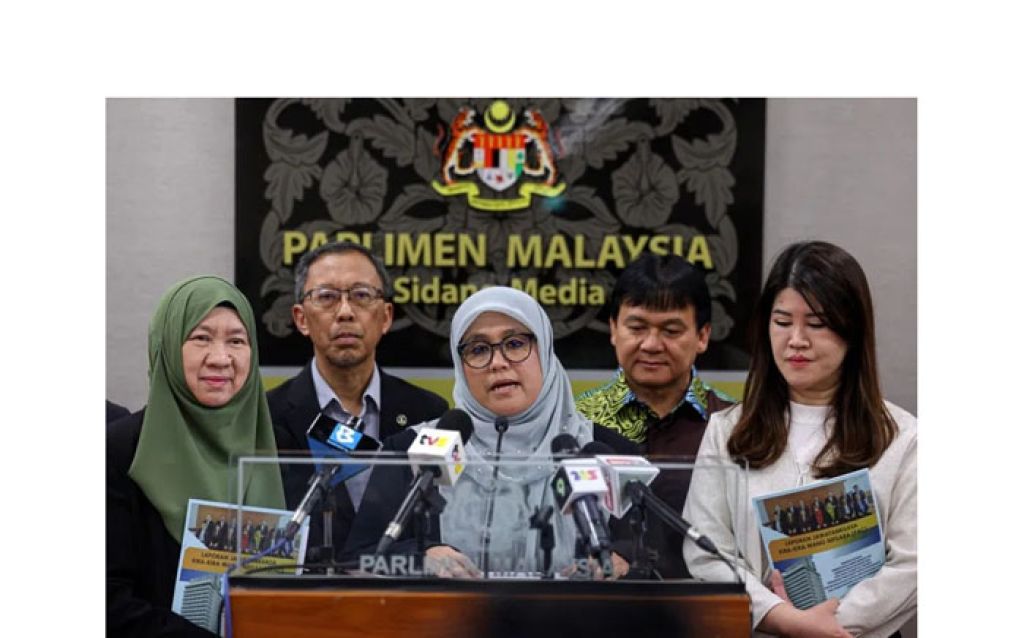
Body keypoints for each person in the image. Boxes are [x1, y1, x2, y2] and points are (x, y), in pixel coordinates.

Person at [682, 241, 917, 638]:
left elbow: (913, 563)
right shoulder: (727, 430)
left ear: (852, 330)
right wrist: (781, 617)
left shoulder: (903, 437)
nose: (796, 339)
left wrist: (828, 625)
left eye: (817, 323)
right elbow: (706, 552)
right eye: (782, 321)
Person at [345, 286, 638, 577]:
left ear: (545, 350)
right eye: (478, 349)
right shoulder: (412, 451)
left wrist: (620, 564)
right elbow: (359, 560)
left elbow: (651, 559)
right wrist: (420, 560)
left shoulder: (604, 451)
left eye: (515, 344)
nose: (498, 363)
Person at [107, 275, 286, 637]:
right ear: (167, 345)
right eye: (201, 338)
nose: (220, 358)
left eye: (236, 341)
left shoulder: (280, 448)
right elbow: (106, 602)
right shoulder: (119, 451)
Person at [268, 241, 449, 557]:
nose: (345, 312)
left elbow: (435, 524)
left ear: (386, 316)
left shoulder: (428, 412)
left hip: (399, 584)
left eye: (361, 296)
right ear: (301, 318)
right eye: (327, 297)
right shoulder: (268, 416)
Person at [575, 252, 733, 577]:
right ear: (613, 329)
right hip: (599, 602)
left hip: (707, 602)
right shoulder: (577, 422)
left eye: (671, 331)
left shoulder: (734, 423)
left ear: (703, 336)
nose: (651, 344)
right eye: (636, 327)